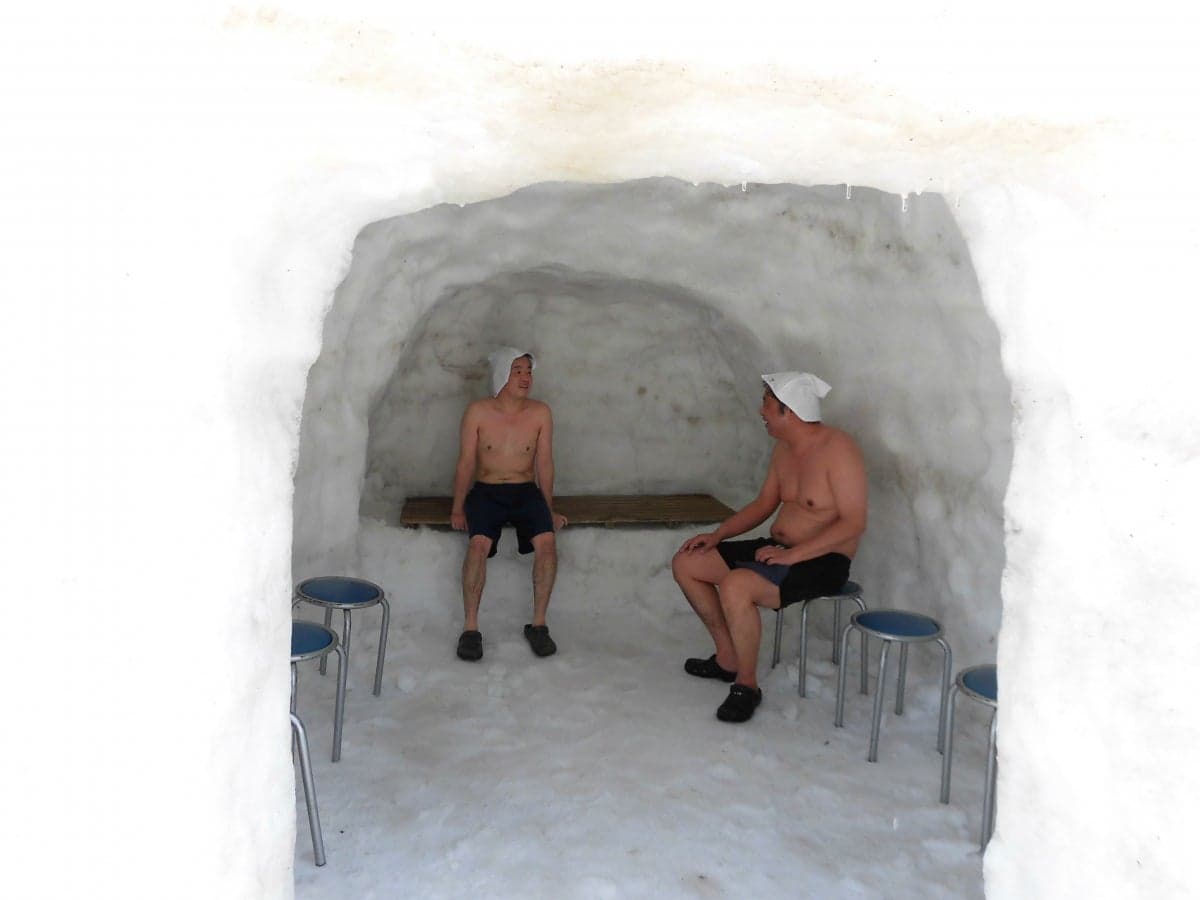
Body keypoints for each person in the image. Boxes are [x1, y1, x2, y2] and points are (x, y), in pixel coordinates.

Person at [672, 372, 867, 723]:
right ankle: (727, 658)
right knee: (688, 563)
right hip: (780, 550)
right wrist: (718, 535)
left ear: (786, 411)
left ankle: (747, 686)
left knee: (737, 585)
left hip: (823, 560)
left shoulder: (838, 449)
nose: (761, 411)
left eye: (766, 404)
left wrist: (791, 555)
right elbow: (764, 504)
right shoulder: (784, 450)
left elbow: (853, 523)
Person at [450, 347, 567, 662]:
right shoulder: (478, 411)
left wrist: (548, 508)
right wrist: (458, 507)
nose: (525, 378)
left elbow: (545, 463)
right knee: (478, 545)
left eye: (528, 372)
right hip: (486, 491)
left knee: (547, 543)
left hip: (525, 491)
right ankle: (471, 629)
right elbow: (466, 462)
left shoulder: (540, 413)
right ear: (502, 374)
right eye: (517, 371)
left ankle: (538, 625)